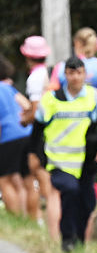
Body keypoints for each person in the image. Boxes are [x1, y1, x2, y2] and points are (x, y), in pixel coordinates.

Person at [30, 56, 97, 252]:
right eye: (71, 73)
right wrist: (37, 156)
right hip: (59, 161)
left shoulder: (94, 96)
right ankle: (67, 239)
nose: (75, 77)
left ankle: (78, 240)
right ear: (65, 75)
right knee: (70, 191)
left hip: (86, 160)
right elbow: (36, 130)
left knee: (88, 202)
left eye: (79, 73)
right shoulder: (51, 99)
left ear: (84, 74)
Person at [19, 35, 54, 230]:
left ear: (27, 56)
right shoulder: (50, 73)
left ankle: (38, 220)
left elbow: (36, 111)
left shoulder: (34, 77)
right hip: (52, 131)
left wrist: (24, 119)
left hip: (38, 133)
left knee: (34, 175)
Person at [0, 57, 32, 216]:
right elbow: (27, 105)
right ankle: (26, 216)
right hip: (26, 132)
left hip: (7, 137)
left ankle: (16, 217)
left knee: (4, 180)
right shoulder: (9, 88)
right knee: (19, 178)